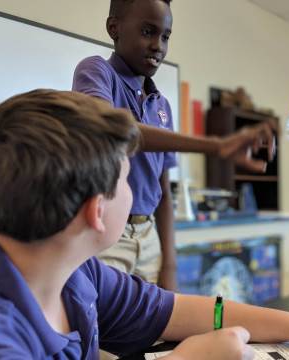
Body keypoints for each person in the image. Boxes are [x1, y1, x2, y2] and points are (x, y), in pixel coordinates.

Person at [0, 89, 289, 360]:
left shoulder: (77, 274)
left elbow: (183, 311)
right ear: (96, 210)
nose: (134, 190)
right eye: (125, 179)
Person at [72, 0, 276, 290]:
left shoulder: (162, 106)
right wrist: (215, 146)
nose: (158, 45)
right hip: (107, 236)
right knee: (105, 325)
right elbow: (111, 130)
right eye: (147, 31)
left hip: (150, 236)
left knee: (152, 330)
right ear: (113, 28)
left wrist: (169, 265)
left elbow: (163, 192)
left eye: (165, 36)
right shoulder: (96, 72)